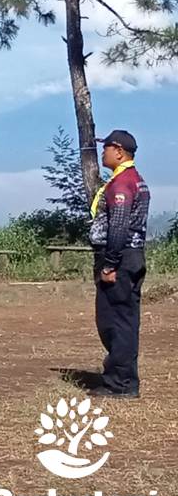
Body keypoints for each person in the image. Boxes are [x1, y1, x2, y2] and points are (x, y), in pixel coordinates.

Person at [88, 130, 150, 399]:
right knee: (124, 320)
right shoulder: (135, 180)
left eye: (107, 148)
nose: (103, 152)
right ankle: (122, 378)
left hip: (120, 259)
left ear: (119, 152)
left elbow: (119, 226)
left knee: (114, 321)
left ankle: (120, 383)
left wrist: (109, 265)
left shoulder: (122, 184)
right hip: (130, 257)